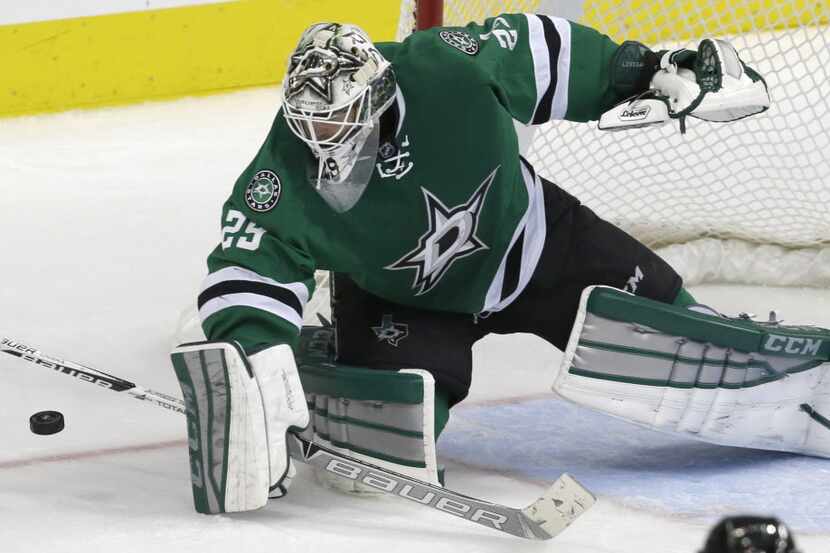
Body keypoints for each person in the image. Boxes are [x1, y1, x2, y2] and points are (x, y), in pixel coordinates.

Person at [170, 14, 829, 514]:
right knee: (393, 448)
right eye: (309, 121)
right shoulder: (279, 172)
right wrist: (254, 349)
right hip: (405, 303)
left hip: (539, 242)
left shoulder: (445, 69)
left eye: (336, 118)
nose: (320, 137)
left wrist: (648, 68)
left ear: (377, 91)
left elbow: (548, 52)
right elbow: (248, 264)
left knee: (676, 334)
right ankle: (321, 363)